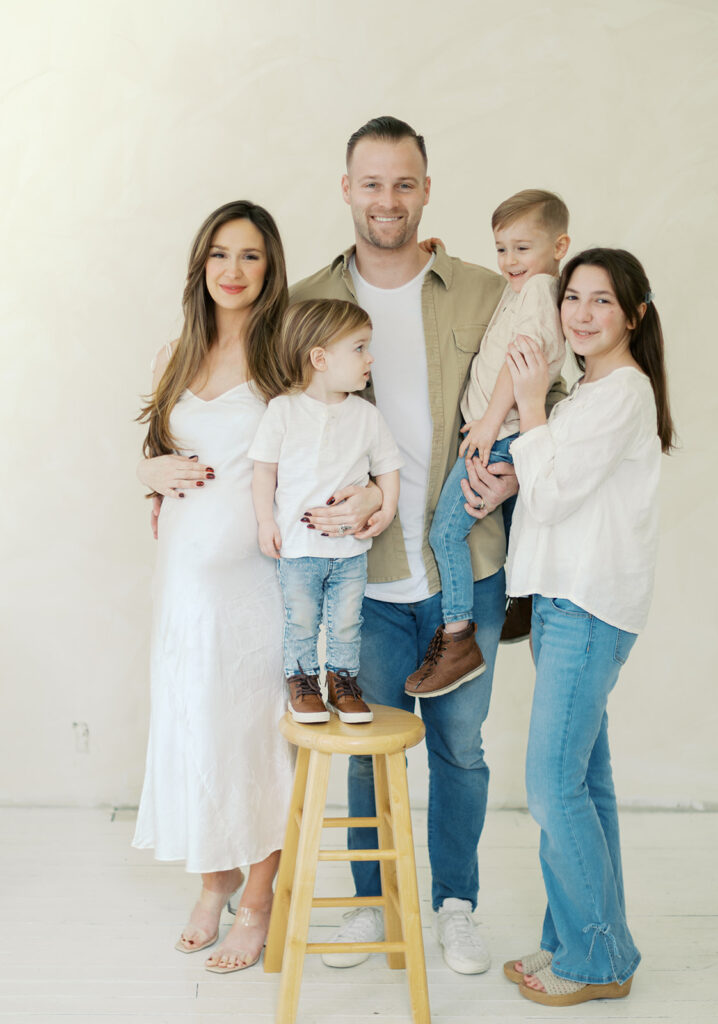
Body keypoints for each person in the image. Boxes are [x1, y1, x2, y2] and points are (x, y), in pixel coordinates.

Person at [290, 116, 564, 975]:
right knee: (367, 753)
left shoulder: (488, 288)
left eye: (404, 183)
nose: (388, 200)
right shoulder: (305, 302)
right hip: (357, 576)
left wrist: (516, 473)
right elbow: (271, 422)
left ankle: (456, 905)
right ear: (347, 189)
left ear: (427, 190)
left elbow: (553, 384)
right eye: (372, 183)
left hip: (467, 565)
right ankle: (372, 905)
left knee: (459, 751)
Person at [501, 249, 675, 1006]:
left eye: (602, 300)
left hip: (588, 609)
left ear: (634, 314)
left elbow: (551, 496)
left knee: (552, 789)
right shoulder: (589, 393)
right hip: (562, 604)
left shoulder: (622, 393)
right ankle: (579, 940)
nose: (581, 313)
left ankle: (597, 960)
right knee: (583, 786)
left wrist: (530, 405)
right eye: (572, 297)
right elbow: (548, 487)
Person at [133, 200, 295, 975]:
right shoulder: (176, 354)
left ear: (271, 269)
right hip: (183, 588)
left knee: (254, 738)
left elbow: (327, 452)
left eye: (251, 255)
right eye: (221, 255)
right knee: (197, 728)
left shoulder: (286, 358)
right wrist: (147, 470)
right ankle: (214, 879)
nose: (233, 270)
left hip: (257, 591)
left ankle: (257, 900)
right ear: (202, 265)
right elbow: (158, 453)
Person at [406, 190, 570, 698]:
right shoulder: (524, 288)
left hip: (498, 436)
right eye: (502, 248)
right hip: (503, 432)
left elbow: (518, 363)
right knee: (518, 522)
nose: (509, 260)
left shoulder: (539, 289)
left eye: (522, 248)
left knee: (445, 534)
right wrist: (436, 254)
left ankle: (458, 637)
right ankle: (524, 601)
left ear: (559, 247)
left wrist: (486, 424)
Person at [249, 299, 401, 724]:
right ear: (320, 359)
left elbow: (388, 468)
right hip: (298, 549)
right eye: (359, 348)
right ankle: (303, 683)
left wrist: (386, 509)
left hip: (350, 552)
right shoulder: (283, 410)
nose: (370, 358)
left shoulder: (367, 415)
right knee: (301, 621)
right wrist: (265, 521)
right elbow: (264, 472)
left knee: (347, 623)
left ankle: (343, 683)